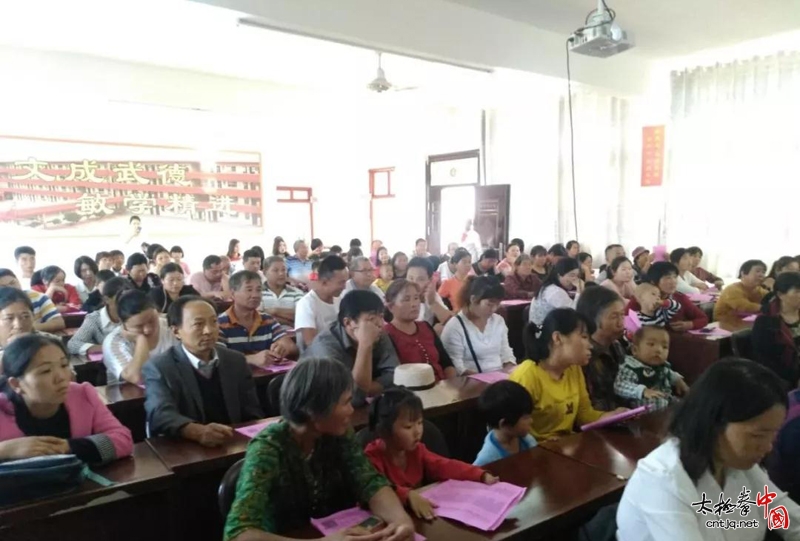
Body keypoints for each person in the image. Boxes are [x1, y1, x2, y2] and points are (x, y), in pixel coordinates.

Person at [223, 358, 415, 541]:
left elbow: (370, 482)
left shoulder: (339, 434)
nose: (351, 410)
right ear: (313, 409)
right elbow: (238, 534)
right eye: (345, 402)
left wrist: (400, 520)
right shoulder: (268, 448)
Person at [616, 359, 800, 540]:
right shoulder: (664, 479)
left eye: (773, 434)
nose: (768, 447)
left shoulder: (740, 465)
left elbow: (788, 521)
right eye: (758, 435)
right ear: (714, 422)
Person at [144, 296, 264, 445]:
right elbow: (160, 414)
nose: (208, 331)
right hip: (186, 449)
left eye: (214, 322)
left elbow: (252, 411)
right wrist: (196, 432)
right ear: (176, 331)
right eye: (198, 324)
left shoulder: (235, 360)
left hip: (233, 444)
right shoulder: (160, 367)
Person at [365, 388, 497, 520]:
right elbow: (375, 490)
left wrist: (479, 474)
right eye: (408, 427)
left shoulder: (417, 450)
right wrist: (408, 495)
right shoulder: (371, 457)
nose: (417, 431)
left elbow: (444, 465)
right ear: (383, 431)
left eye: (420, 423)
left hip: (417, 517)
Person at [0, 334, 133, 464]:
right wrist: (5, 450)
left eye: (64, 365)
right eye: (46, 371)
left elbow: (123, 439)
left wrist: (68, 447)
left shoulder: (83, 394)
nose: (62, 377)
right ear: (16, 384)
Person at [510, 309, 627, 442]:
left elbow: (585, 417)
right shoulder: (526, 376)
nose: (590, 346)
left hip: (565, 447)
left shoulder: (574, 369)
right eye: (584, 337)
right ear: (558, 338)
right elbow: (511, 432)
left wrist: (613, 416)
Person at [302, 290, 398, 407]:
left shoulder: (378, 332)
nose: (379, 324)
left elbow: (395, 376)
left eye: (381, 317)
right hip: (316, 408)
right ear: (348, 323)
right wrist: (365, 345)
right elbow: (353, 399)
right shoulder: (325, 347)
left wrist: (365, 388)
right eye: (371, 319)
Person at [218, 270, 297, 366]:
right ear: (233, 294)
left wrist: (282, 348)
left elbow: (291, 347)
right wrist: (250, 359)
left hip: (267, 377)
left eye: (259, 290)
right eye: (249, 290)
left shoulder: (267, 320)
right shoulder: (220, 323)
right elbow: (218, 358)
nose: (255, 295)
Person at [441, 276, 515, 375]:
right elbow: (457, 367)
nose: (494, 309)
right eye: (489, 304)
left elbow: (505, 352)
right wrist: (485, 378)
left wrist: (510, 368)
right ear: (473, 299)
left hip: (500, 378)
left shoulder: (498, 321)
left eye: (498, 305)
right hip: (473, 382)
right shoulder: (455, 327)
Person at [384, 280, 455, 381]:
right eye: (406, 299)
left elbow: (446, 363)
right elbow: (393, 375)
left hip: (442, 387)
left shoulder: (425, 326)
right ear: (391, 307)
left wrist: (450, 384)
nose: (414, 304)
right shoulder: (387, 334)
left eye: (416, 298)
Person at [102, 289, 177, 385]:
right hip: (131, 398)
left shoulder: (171, 327)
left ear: (156, 312)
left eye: (152, 320)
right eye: (139, 326)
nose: (148, 329)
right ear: (122, 323)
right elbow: (138, 378)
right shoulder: (114, 341)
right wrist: (141, 340)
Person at [576, 286, 629, 411]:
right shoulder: (583, 356)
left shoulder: (616, 345)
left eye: (622, 315)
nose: (621, 323)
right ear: (592, 319)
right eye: (614, 316)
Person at [615, 326, 689, 412]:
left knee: (686, 405)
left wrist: (677, 380)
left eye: (664, 347)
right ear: (635, 350)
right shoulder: (632, 367)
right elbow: (619, 385)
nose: (659, 350)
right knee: (657, 403)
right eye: (651, 344)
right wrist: (642, 391)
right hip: (641, 403)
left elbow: (668, 372)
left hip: (666, 398)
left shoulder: (662, 365)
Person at [751, 272, 800, 389]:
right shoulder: (766, 321)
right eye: (797, 291)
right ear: (780, 294)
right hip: (783, 376)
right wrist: (796, 376)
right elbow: (766, 360)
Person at [627, 262, 709, 332]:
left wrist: (689, 324)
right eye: (668, 278)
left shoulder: (680, 298)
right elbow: (626, 320)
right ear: (653, 281)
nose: (673, 281)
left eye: (675, 277)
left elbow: (703, 318)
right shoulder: (640, 298)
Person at [473, 380, 537, 466]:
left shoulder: (527, 440)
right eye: (525, 418)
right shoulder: (487, 459)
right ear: (503, 424)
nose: (531, 421)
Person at [67, 277, 131, 356]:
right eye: (121, 300)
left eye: (130, 299)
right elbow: (73, 344)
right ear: (107, 299)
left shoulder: (135, 315)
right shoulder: (94, 319)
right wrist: (108, 348)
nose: (127, 304)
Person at [295, 255, 348, 349]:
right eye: (341, 283)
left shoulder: (339, 300)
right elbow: (311, 343)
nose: (344, 287)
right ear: (324, 282)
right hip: (318, 359)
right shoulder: (306, 304)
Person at [0, 270, 65, 333]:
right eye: (3, 286)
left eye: (12, 283)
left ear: (18, 281)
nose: (10, 288)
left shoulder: (38, 297)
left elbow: (59, 322)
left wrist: (29, 327)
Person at [529, 257, 582, 326]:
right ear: (559, 275)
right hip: (543, 332)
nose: (575, 279)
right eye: (572, 275)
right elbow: (574, 311)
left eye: (577, 276)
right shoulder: (554, 291)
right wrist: (579, 290)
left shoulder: (551, 286)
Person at [713, 259, 769, 325]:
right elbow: (745, 307)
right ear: (743, 273)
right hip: (725, 324)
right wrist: (765, 308)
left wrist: (773, 288)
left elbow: (774, 302)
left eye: (763, 272)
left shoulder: (760, 290)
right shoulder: (732, 289)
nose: (761, 275)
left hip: (748, 324)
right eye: (757, 271)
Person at [406, 257, 451, 329]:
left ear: (429, 280)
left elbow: (450, 322)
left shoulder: (432, 295)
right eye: (410, 278)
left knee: (440, 328)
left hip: (426, 335)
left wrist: (432, 302)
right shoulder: (400, 296)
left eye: (420, 279)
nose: (414, 283)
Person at [260, 256, 304, 327]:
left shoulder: (296, 292)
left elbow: (301, 316)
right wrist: (289, 322)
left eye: (283, 270)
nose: (281, 273)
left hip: (292, 336)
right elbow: (257, 318)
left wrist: (274, 311)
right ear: (265, 273)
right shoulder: (258, 293)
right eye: (275, 270)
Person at [437, 248, 472, 312]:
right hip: (458, 316)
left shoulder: (474, 280)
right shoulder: (448, 283)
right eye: (464, 262)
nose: (468, 265)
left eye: (469, 262)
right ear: (455, 264)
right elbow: (438, 301)